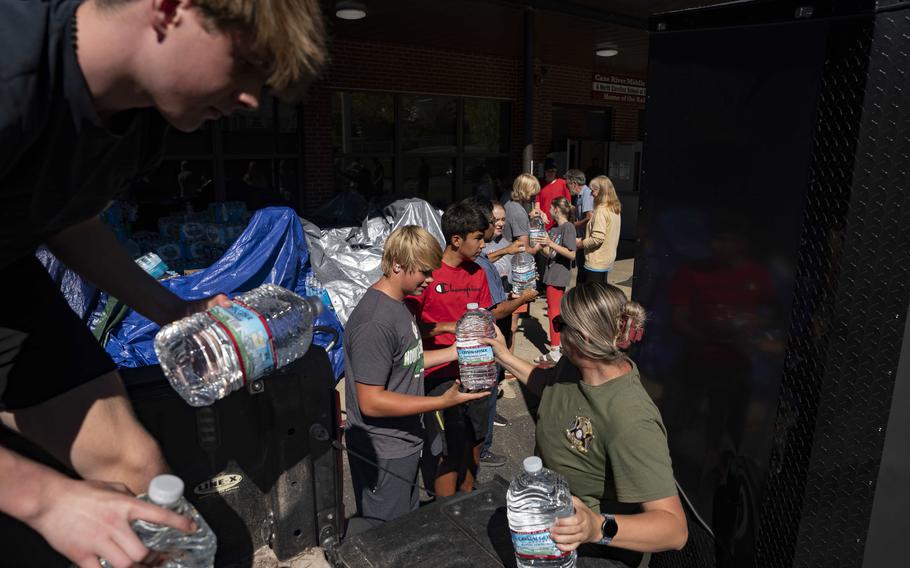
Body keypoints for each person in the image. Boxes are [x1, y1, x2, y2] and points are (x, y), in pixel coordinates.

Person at [0, 0, 326, 565]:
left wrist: (171, 310)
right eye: (247, 62)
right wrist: (44, 499)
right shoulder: (13, 71)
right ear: (171, 8)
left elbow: (67, 217)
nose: (253, 98)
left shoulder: (142, 124)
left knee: (139, 472)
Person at [483, 283, 688, 567]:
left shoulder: (630, 417)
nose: (555, 328)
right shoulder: (574, 364)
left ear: (584, 337)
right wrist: (504, 356)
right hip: (548, 535)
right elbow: (550, 387)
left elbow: (674, 530)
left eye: (559, 323)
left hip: (595, 555)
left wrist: (596, 527)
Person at [343, 226, 488, 534]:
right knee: (387, 537)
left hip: (405, 442)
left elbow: (407, 362)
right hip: (383, 451)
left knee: (406, 528)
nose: (431, 280)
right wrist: (442, 401)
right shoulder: (374, 323)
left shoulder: (400, 306)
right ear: (397, 265)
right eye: (424, 272)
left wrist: (454, 351)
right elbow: (371, 402)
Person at [406, 202, 494, 498]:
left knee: (475, 441)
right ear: (457, 240)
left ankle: (468, 501)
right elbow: (407, 332)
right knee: (446, 450)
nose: (484, 243)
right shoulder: (428, 275)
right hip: (439, 375)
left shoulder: (478, 273)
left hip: (478, 371)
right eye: (479, 237)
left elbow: (483, 319)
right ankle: (446, 515)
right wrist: (447, 328)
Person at [461, 198, 537, 467]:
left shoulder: (482, 256)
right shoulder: (479, 265)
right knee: (485, 390)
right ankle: (483, 449)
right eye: (495, 222)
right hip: (487, 336)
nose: (484, 243)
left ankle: (483, 438)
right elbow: (496, 310)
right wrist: (523, 298)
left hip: (487, 334)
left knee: (488, 390)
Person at [533, 197, 577, 365]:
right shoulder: (555, 229)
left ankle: (555, 350)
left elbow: (571, 253)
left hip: (558, 275)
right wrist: (542, 234)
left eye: (551, 206)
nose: (549, 209)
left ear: (557, 209)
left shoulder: (568, 227)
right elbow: (550, 254)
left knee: (554, 313)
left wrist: (550, 242)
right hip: (552, 274)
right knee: (554, 311)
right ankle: (557, 348)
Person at [576, 175, 622, 284]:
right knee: (601, 295)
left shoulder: (601, 211)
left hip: (596, 262)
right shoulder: (614, 208)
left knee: (592, 297)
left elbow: (597, 238)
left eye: (593, 191)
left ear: (601, 191)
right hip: (606, 260)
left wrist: (580, 243)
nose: (591, 194)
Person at [565, 169, 593, 285]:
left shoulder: (587, 194)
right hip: (581, 238)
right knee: (581, 272)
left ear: (574, 184)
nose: (568, 188)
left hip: (585, 240)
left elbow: (589, 217)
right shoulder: (579, 196)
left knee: (583, 273)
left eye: (568, 185)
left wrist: (573, 226)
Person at [537, 158, 572, 231]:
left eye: (553, 171)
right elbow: (537, 206)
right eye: (549, 171)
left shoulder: (563, 183)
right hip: (544, 225)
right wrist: (542, 214)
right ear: (545, 171)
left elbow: (568, 205)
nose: (551, 173)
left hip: (558, 224)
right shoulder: (540, 185)